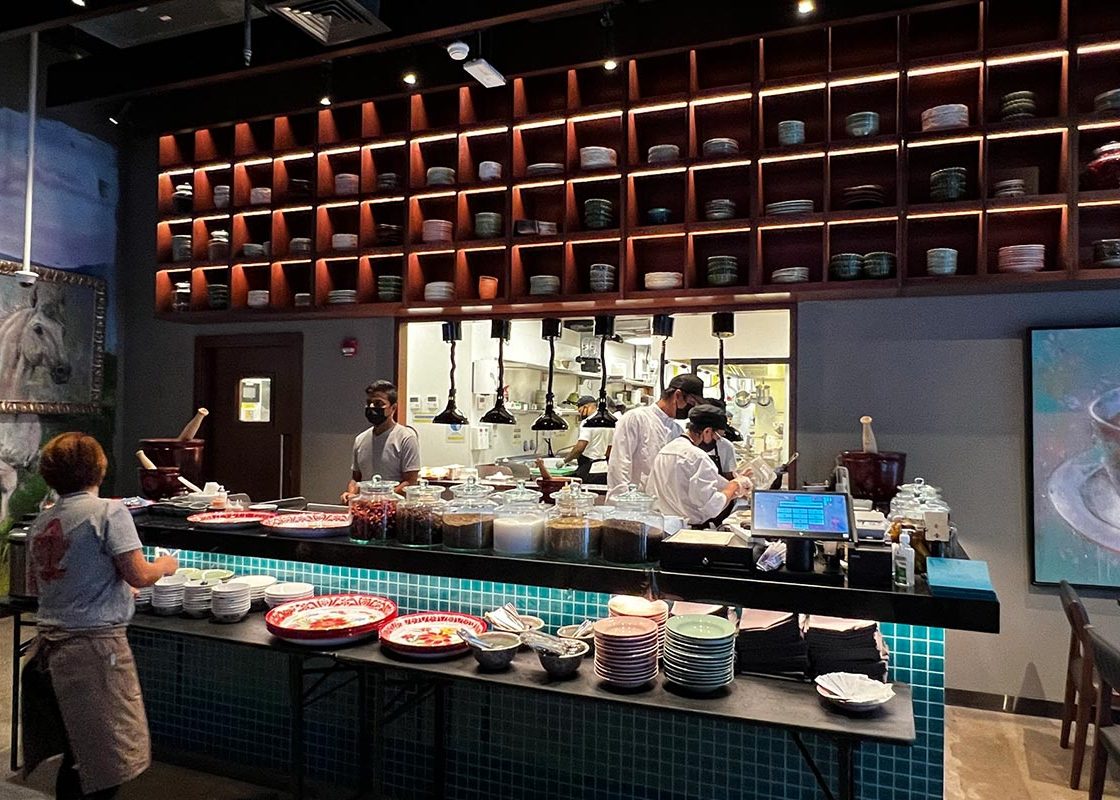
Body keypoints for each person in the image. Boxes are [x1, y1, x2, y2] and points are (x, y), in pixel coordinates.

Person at [22, 433, 178, 800]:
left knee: (78, 758)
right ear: (99, 468)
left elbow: (47, 582)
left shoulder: (42, 522)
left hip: (47, 652)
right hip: (94, 652)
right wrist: (165, 567)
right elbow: (138, 573)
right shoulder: (110, 512)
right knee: (104, 765)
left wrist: (111, 584)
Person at [645, 404, 753, 526]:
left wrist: (737, 483)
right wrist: (734, 485)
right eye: (717, 437)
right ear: (707, 431)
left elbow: (700, 485)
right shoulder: (698, 457)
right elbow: (712, 506)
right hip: (687, 530)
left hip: (661, 527)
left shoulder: (666, 450)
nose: (718, 441)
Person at [607, 374, 706, 491]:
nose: (690, 409)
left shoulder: (677, 430)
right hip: (635, 503)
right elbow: (619, 463)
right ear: (678, 395)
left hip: (662, 504)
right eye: (691, 403)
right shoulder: (636, 418)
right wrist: (621, 500)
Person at [341, 379, 421, 502]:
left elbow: (410, 482)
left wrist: (383, 500)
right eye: (369, 403)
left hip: (395, 510)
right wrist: (350, 494)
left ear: (393, 408)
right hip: (365, 509)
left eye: (378, 404)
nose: (372, 407)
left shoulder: (406, 438)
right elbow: (356, 479)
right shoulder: (360, 439)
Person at [561, 395, 613, 484]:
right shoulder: (609, 422)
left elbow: (580, 448)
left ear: (586, 407)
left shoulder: (588, 422)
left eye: (580, 411)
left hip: (589, 469)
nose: (580, 414)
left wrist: (564, 461)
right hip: (603, 468)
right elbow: (609, 449)